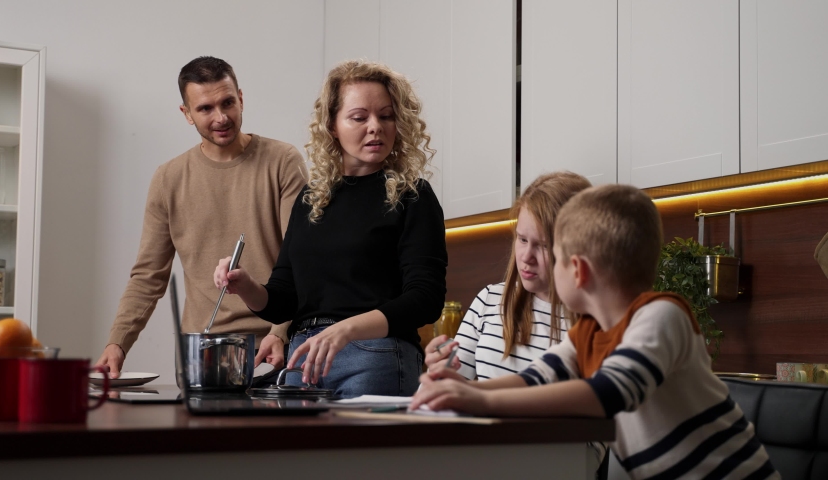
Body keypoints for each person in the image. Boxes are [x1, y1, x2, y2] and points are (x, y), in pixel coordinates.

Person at [413, 184, 778, 479]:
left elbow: (609, 392)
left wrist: (482, 401)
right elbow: (539, 377)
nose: (529, 258)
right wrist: (464, 389)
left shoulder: (662, 316)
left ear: (578, 271)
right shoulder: (588, 331)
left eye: (551, 252)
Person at [214, 60, 447, 398]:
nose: (375, 127)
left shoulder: (413, 196)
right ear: (332, 126)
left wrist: (347, 330)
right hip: (303, 358)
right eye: (359, 117)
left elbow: (425, 300)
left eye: (386, 116)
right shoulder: (311, 199)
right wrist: (246, 285)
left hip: (375, 355)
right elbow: (284, 300)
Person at [96, 56, 307, 378]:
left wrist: (279, 332)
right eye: (205, 108)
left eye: (228, 103)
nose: (221, 117)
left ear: (241, 98)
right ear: (187, 114)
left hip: (278, 347)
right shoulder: (169, 178)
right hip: (204, 354)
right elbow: (148, 276)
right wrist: (117, 343)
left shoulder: (282, 161)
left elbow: (303, 258)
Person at [424, 171, 591, 380]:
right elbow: (446, 393)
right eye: (522, 239)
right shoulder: (489, 300)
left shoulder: (597, 319)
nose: (526, 257)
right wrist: (438, 372)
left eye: (544, 245)